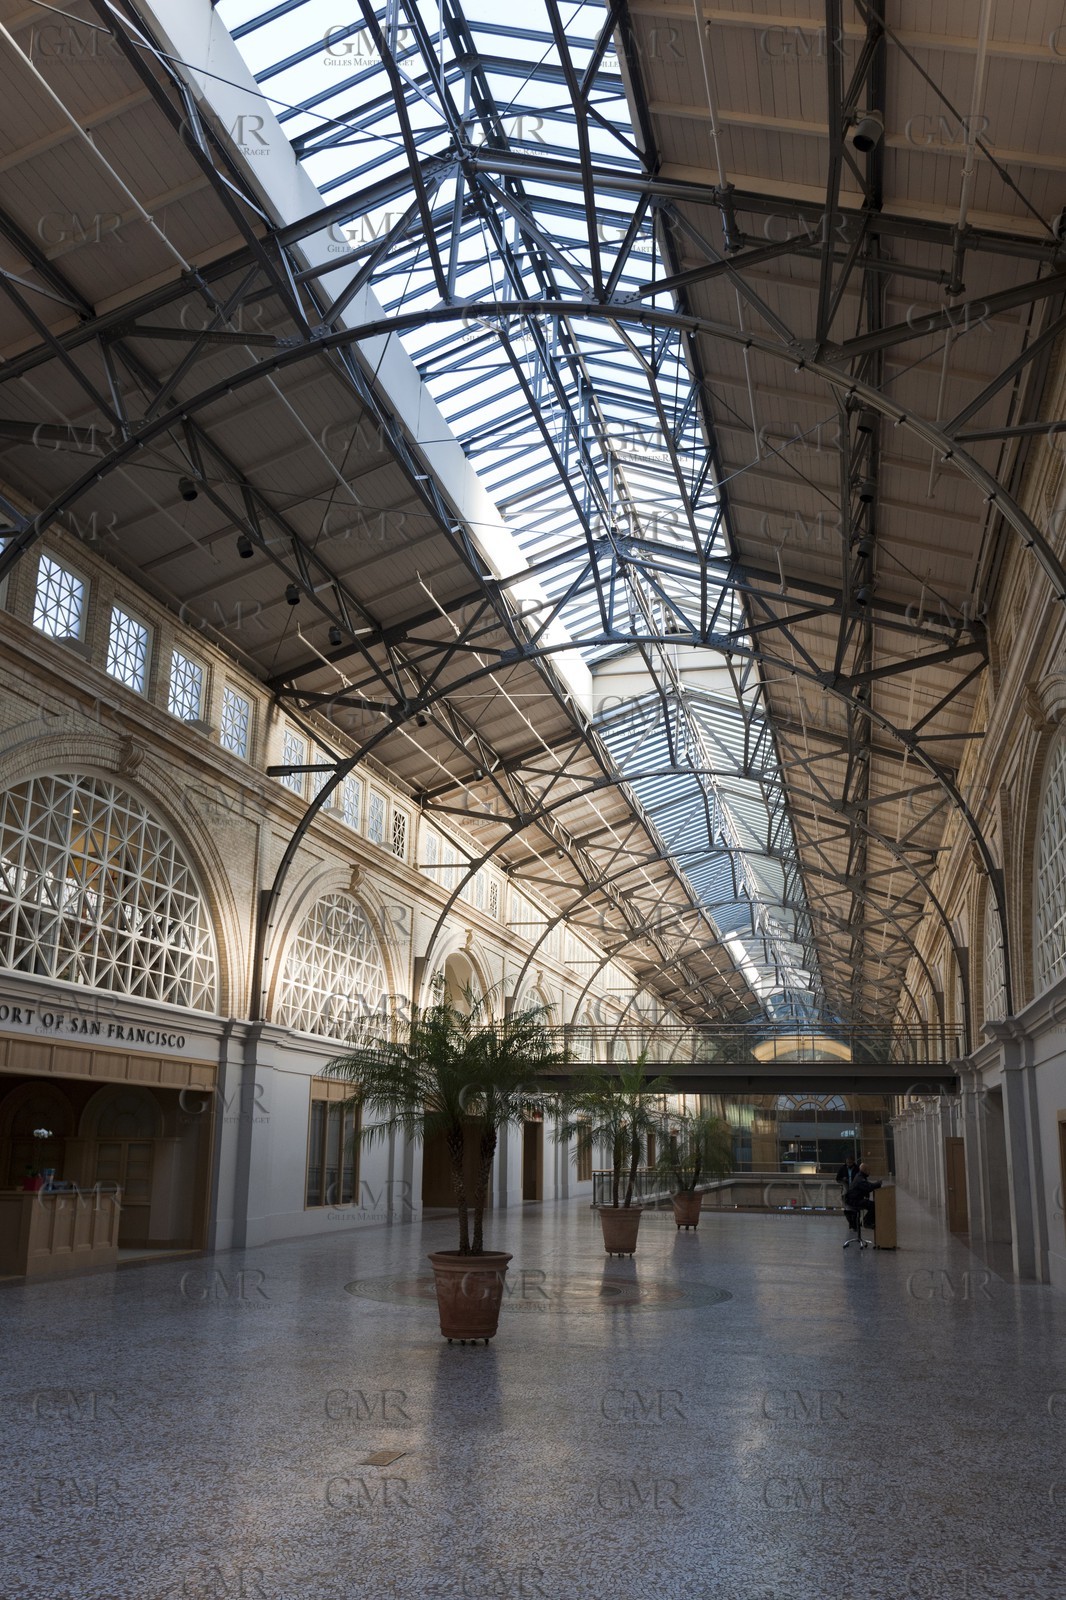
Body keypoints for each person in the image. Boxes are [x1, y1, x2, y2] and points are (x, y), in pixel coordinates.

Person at [842, 1164, 882, 1249]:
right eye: (868, 1170)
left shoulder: (860, 1176)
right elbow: (868, 1187)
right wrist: (878, 1184)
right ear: (865, 1170)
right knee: (872, 1205)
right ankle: (867, 1222)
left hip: (854, 1200)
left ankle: (867, 1221)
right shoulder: (860, 1179)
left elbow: (867, 1186)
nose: (869, 1172)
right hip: (853, 1202)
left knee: (870, 1204)